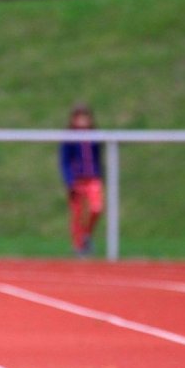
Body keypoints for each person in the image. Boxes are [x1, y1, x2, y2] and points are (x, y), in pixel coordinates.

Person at [59, 103, 104, 256]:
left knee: (96, 207)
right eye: (79, 118)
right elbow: (65, 161)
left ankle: (87, 235)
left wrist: (100, 174)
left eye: (85, 117)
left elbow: (98, 158)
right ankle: (78, 246)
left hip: (93, 178)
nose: (82, 121)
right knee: (77, 214)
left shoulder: (94, 137)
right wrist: (70, 181)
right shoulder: (70, 139)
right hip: (77, 180)